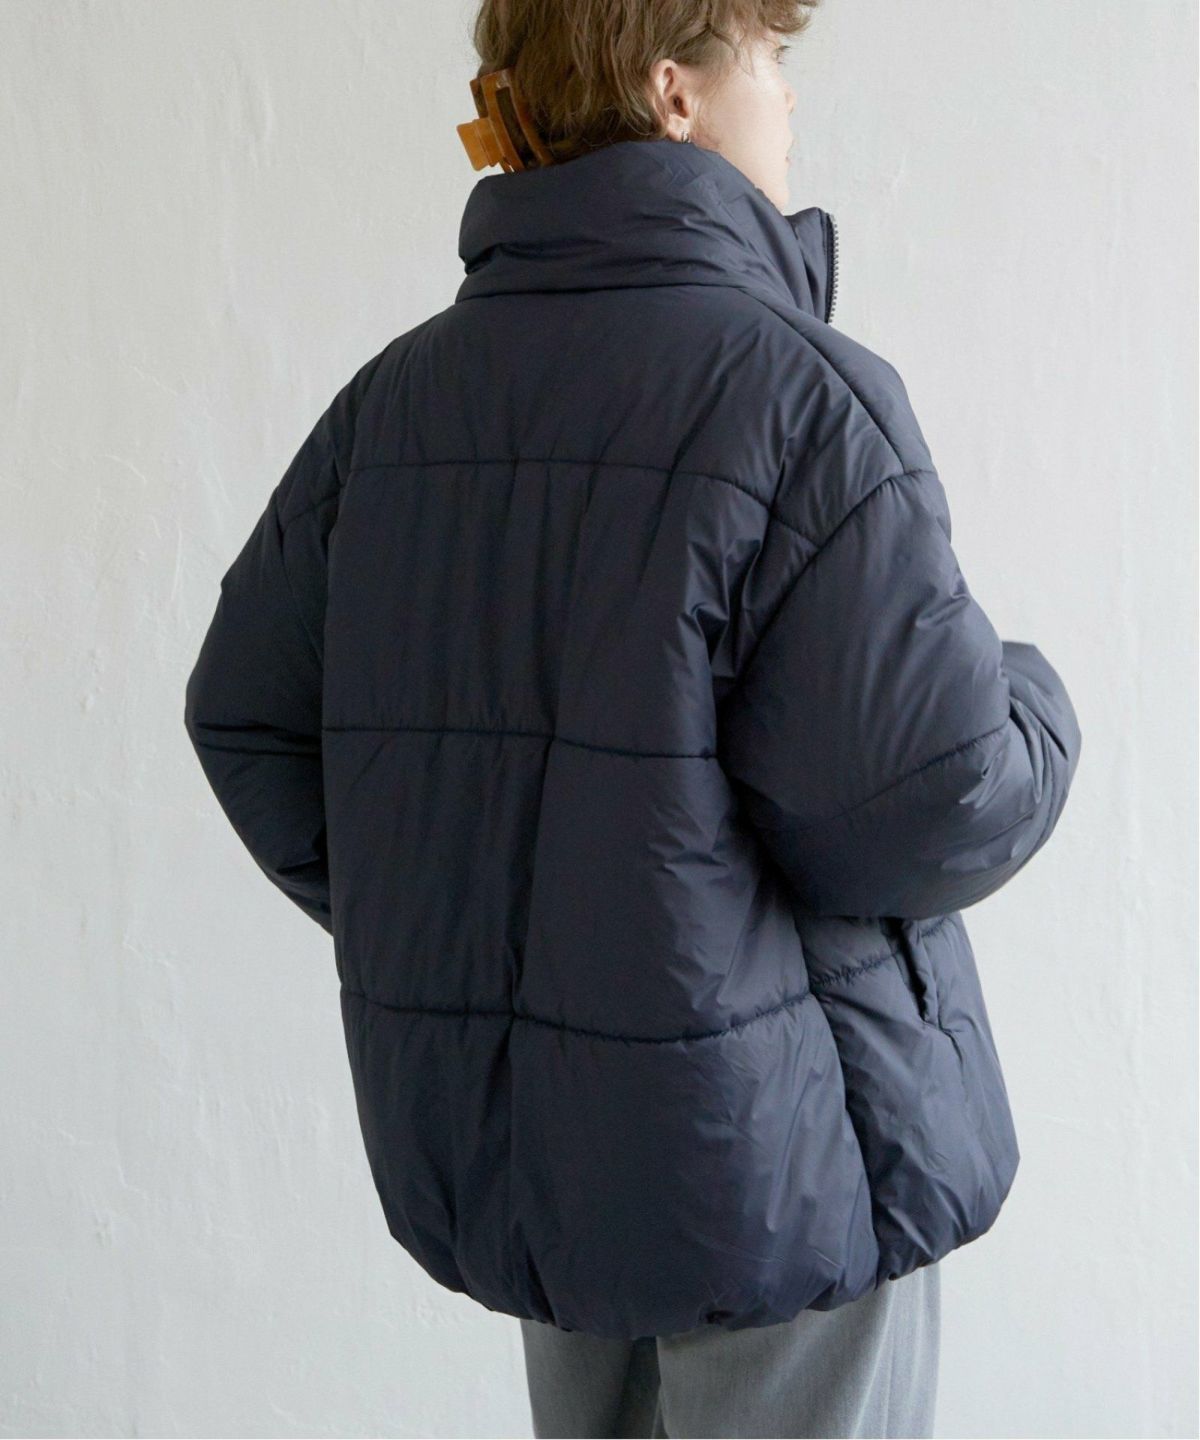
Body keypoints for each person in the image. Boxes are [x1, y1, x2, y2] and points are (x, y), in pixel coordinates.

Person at [182, 2, 1082, 1436]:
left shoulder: (394, 411)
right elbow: (926, 800)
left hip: (550, 1161)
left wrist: (486, 930)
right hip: (779, 1162)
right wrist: (1036, 700)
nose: (789, 100)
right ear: (675, 92)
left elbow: (250, 719)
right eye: (769, 58)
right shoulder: (796, 397)